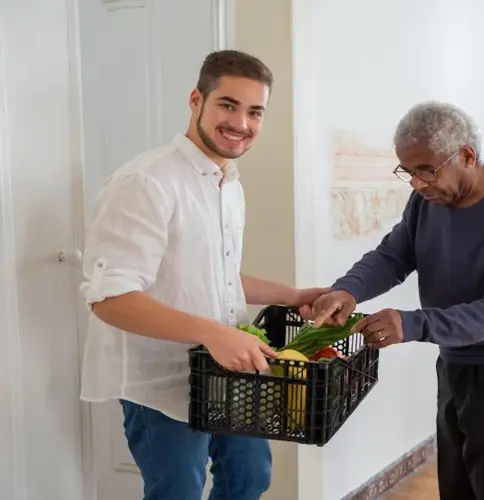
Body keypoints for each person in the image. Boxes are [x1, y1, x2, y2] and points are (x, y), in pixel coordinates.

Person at [79, 50, 327, 500]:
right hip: (160, 382)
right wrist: (212, 332)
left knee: (249, 478)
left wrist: (291, 294)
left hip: (229, 370)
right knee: (177, 492)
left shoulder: (228, 182)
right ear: (197, 101)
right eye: (228, 105)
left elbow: (217, 273)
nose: (241, 123)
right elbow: (109, 298)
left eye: (255, 112)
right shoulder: (146, 182)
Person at [311, 101, 484, 500]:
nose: (416, 183)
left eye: (426, 170)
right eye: (407, 172)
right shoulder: (428, 200)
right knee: (457, 480)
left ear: (466, 156)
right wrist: (348, 289)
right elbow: (395, 254)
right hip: (458, 354)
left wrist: (413, 324)